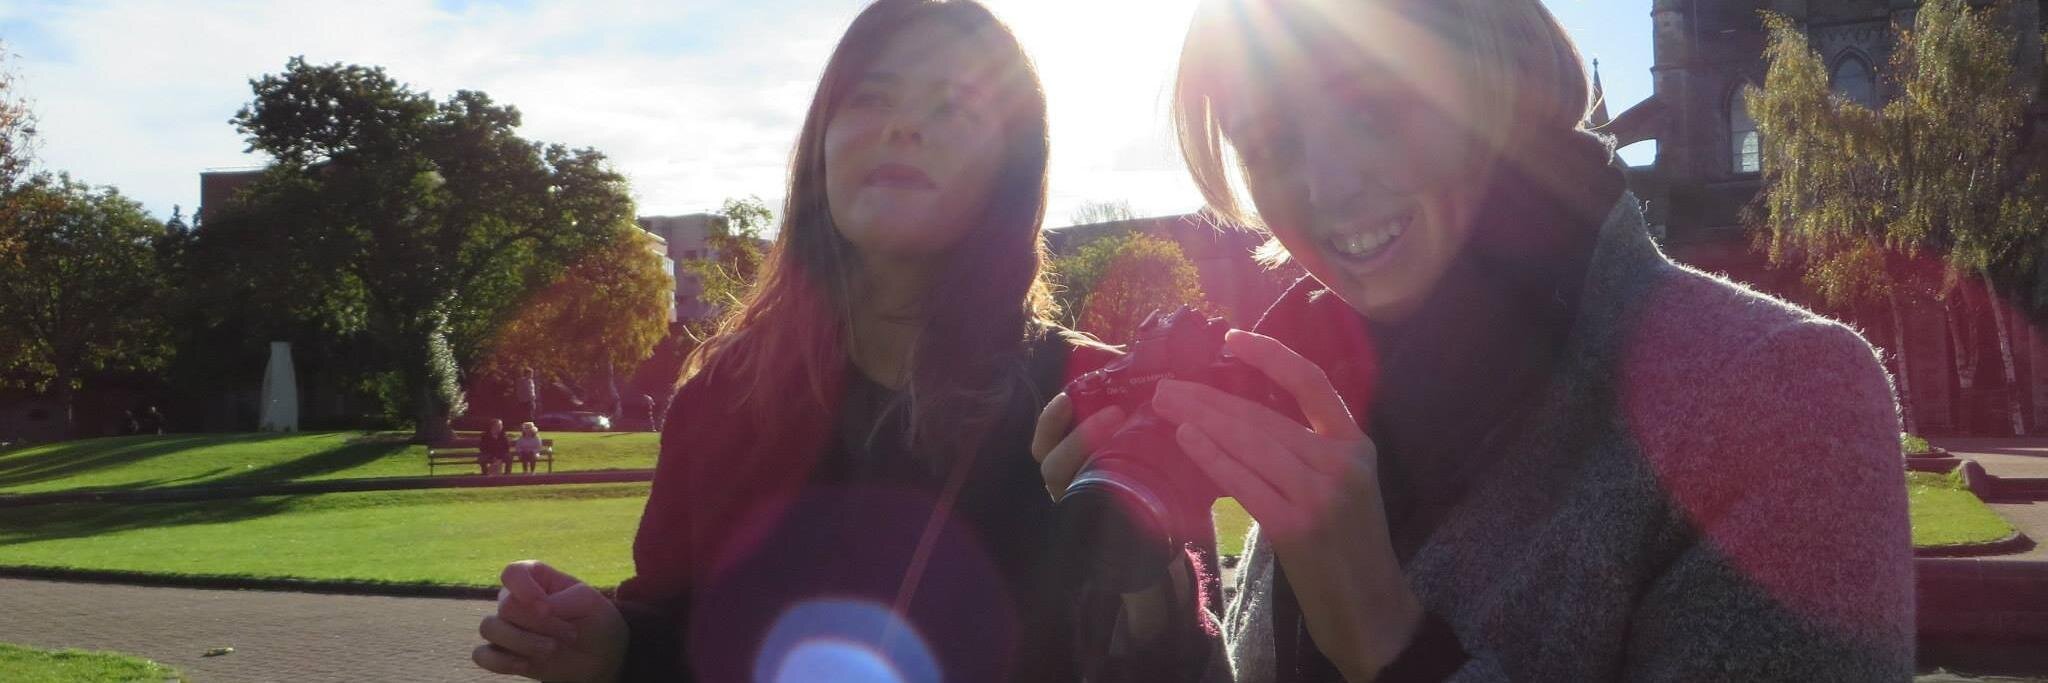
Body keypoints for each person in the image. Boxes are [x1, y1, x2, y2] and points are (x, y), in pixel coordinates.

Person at [1035, 0, 1912, 680]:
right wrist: (1148, 583)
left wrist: (1390, 641)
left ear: (1502, 80)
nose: (1327, 186)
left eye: (1376, 105)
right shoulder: (1319, 374)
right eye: (1268, 140)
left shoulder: (1783, 390)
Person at [471, 2, 1181, 680]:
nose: (903, 126)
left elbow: (1165, 661)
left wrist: (1153, 583)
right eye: (871, 98)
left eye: (952, 107)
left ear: (1012, 170)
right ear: (819, 149)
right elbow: (675, 635)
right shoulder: (722, 397)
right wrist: (610, 653)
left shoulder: (1088, 399)